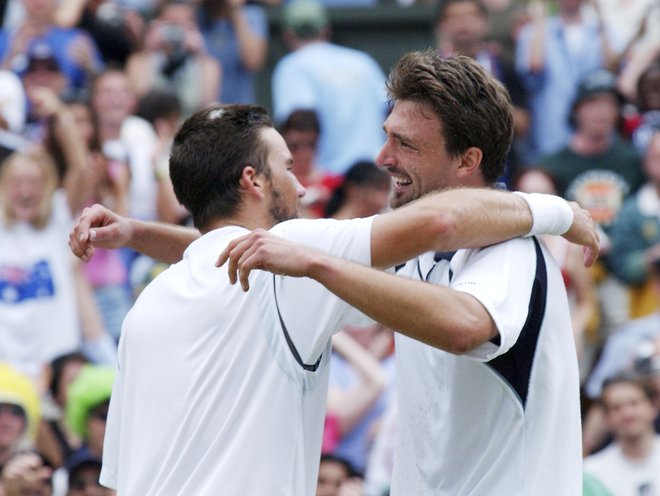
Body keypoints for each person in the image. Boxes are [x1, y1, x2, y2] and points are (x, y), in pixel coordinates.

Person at [68, 101, 599, 493]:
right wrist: (563, 213)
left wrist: (139, 233)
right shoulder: (295, 256)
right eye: (288, 168)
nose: (302, 189)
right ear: (253, 180)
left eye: (404, 142)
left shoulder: (146, 309)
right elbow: (441, 220)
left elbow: (219, 251)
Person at [218, 51, 592, 494]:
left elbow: (465, 326)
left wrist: (320, 265)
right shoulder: (413, 246)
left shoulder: (513, 251)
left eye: (406, 144)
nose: (383, 157)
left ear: (467, 160)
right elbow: (249, 249)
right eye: (387, 137)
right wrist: (135, 233)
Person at [272, 0, 387, 175]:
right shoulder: (362, 61)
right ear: (326, 29)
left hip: (330, 181)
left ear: (288, 34)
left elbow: (300, 124)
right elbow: (390, 110)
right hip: (375, 176)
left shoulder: (292, 66)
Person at [583, 374, 660, 495]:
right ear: (606, 418)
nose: (627, 413)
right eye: (616, 408)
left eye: (634, 403)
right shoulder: (592, 474)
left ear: (653, 407)